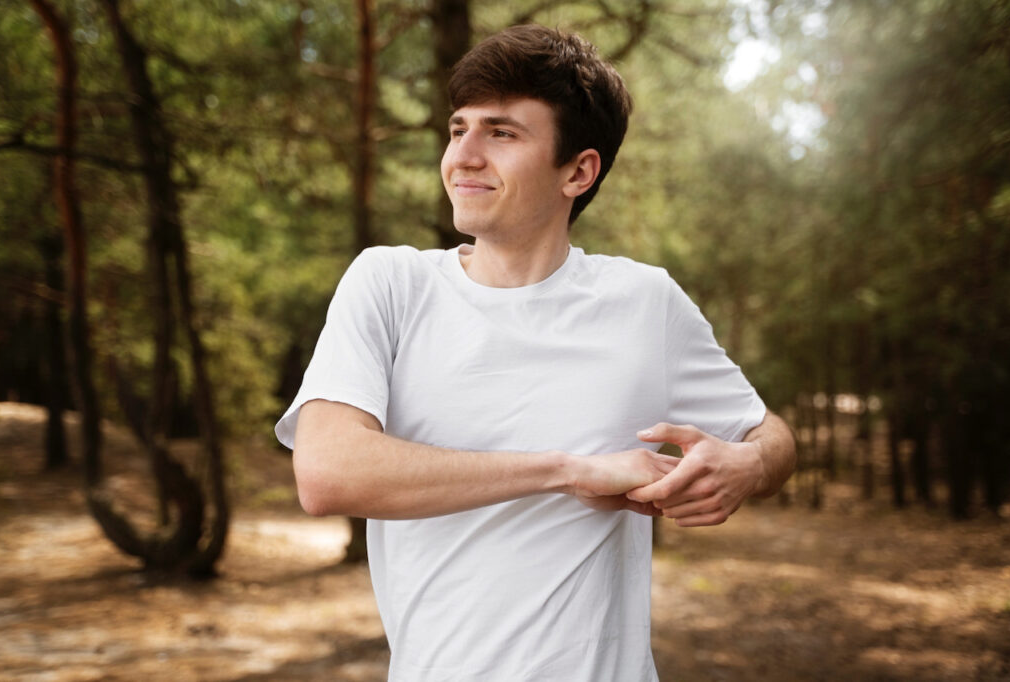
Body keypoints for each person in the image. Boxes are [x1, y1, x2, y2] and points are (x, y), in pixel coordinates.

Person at [275, 23, 796, 682]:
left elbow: (770, 433)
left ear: (578, 170)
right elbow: (326, 473)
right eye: (458, 127)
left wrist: (748, 464)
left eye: (502, 132)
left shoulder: (644, 301)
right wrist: (565, 470)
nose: (462, 155)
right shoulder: (390, 284)